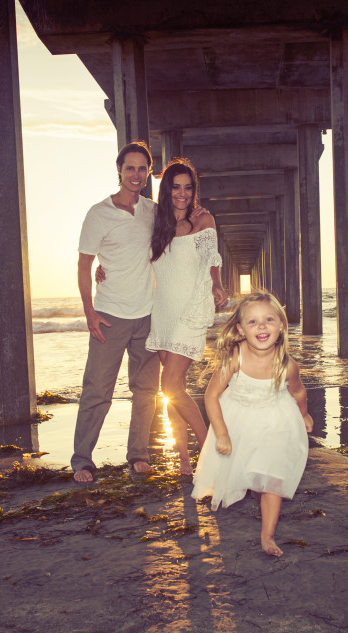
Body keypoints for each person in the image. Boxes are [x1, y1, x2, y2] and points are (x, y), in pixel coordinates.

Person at [191, 291, 313, 557]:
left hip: (276, 422)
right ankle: (254, 487)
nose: (261, 326)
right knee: (241, 469)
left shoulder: (287, 365)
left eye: (269, 319)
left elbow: (299, 391)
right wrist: (221, 433)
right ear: (241, 329)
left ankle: (267, 537)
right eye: (253, 322)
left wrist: (303, 414)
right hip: (238, 420)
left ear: (281, 326)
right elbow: (212, 396)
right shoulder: (235, 358)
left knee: (272, 479)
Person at [71, 142, 160, 483]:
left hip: (148, 315)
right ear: (119, 170)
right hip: (110, 315)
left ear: (148, 172)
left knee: (146, 391)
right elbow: (84, 263)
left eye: (142, 168)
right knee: (97, 391)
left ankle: (138, 455)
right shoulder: (99, 213)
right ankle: (82, 460)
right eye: (130, 168)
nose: (135, 174)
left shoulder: (153, 211)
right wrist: (89, 311)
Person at [144, 158, 228, 475]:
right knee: (172, 390)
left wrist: (217, 285)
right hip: (161, 311)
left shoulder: (203, 220)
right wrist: (104, 267)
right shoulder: (156, 224)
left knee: (172, 386)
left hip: (188, 312)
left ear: (193, 190)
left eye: (187, 187)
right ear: (167, 189)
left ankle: (211, 451)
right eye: (176, 187)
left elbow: (212, 259)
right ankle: (183, 461)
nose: (181, 193)